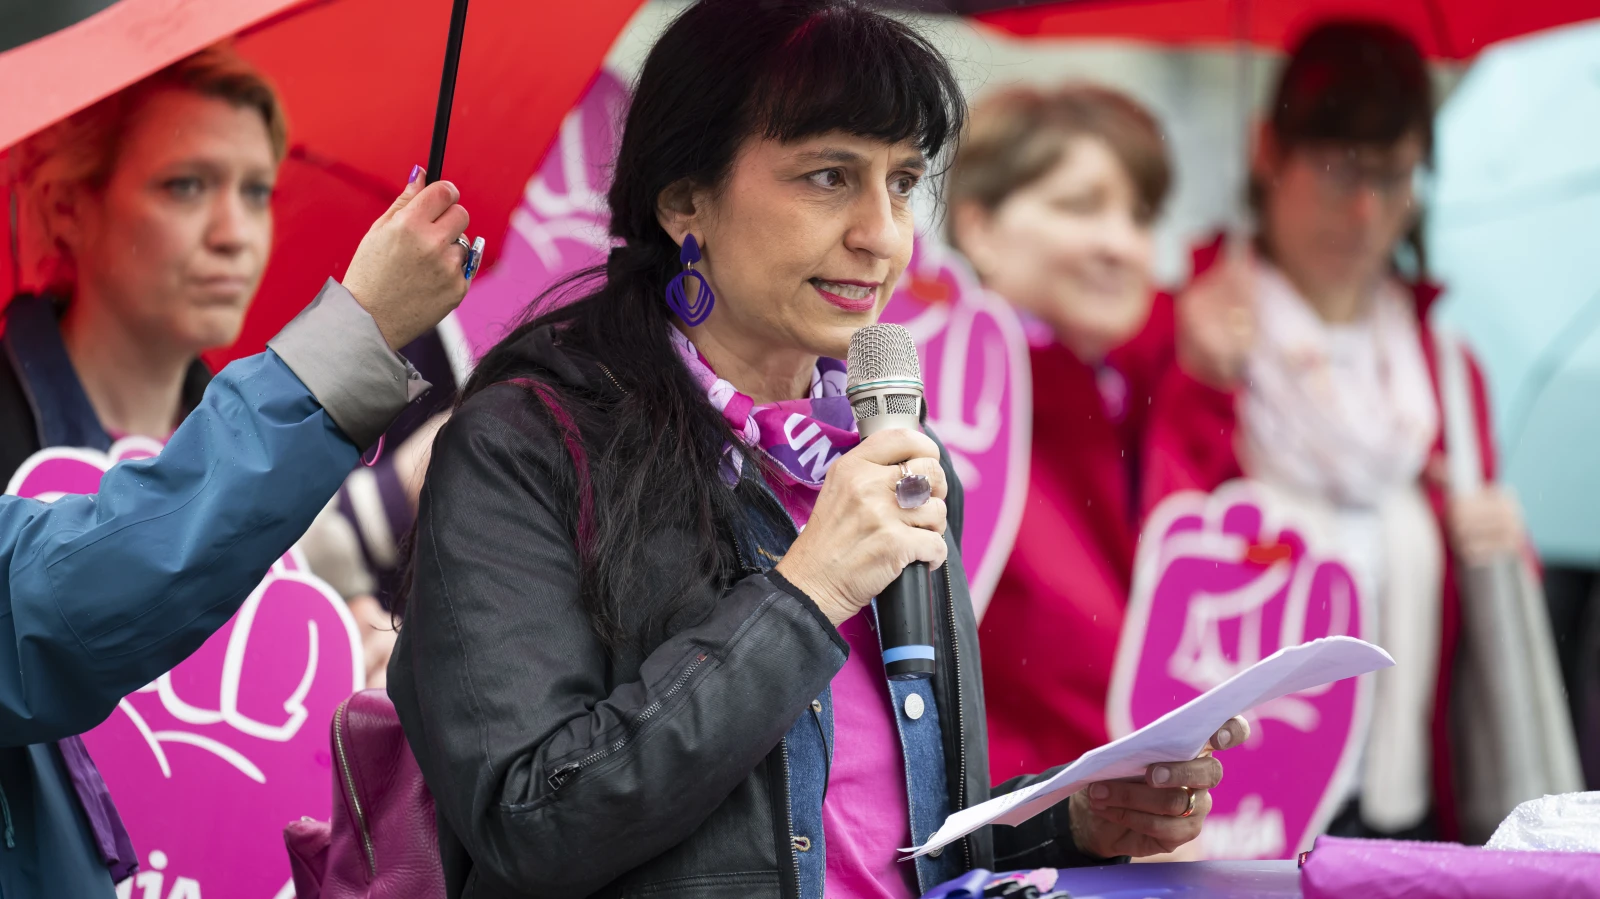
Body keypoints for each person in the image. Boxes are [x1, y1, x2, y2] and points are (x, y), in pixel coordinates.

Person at [388, 3, 1247, 898]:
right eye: (829, 176)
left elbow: (881, 835)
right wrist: (806, 594)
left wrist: (1068, 819)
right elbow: (530, 822)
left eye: (903, 182)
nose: (883, 234)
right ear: (684, 200)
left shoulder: (889, 453)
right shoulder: (525, 443)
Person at [0, 48, 474, 899]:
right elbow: (79, 593)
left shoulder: (300, 472)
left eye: (256, 190)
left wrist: (357, 677)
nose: (234, 231)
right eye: (186, 186)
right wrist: (353, 337)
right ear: (68, 207)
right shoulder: (283, 438)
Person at [1151, 21, 1528, 841]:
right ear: (1268, 152)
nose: (1364, 208)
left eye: (1392, 175)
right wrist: (1197, 385)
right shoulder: (1181, 331)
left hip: (1406, 805)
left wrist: (1501, 546)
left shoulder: (1444, 372)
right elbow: (1151, 552)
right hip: (1231, 809)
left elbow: (1472, 622)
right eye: (1336, 167)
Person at [945, 85, 1252, 783]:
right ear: (979, 226)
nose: (1122, 244)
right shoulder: (944, 413)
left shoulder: (1142, 387)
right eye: (1080, 206)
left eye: (1141, 216)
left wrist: (1206, 386)